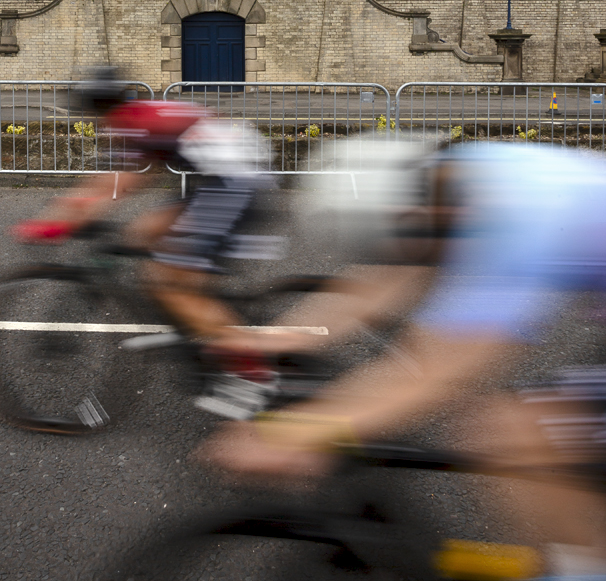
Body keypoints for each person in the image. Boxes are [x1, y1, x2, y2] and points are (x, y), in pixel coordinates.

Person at [200, 141, 606, 580]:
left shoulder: (517, 220)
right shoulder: (448, 180)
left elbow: (433, 374)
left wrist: (294, 434)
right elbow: (382, 282)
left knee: (516, 429)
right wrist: (270, 339)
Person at [11, 69, 302, 399]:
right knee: (144, 236)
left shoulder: (130, 121)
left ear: (96, 108)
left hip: (233, 185)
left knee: (167, 281)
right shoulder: (145, 111)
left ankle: (253, 372)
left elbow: (114, 186)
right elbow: (131, 184)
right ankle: (209, 320)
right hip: (223, 180)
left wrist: (56, 222)